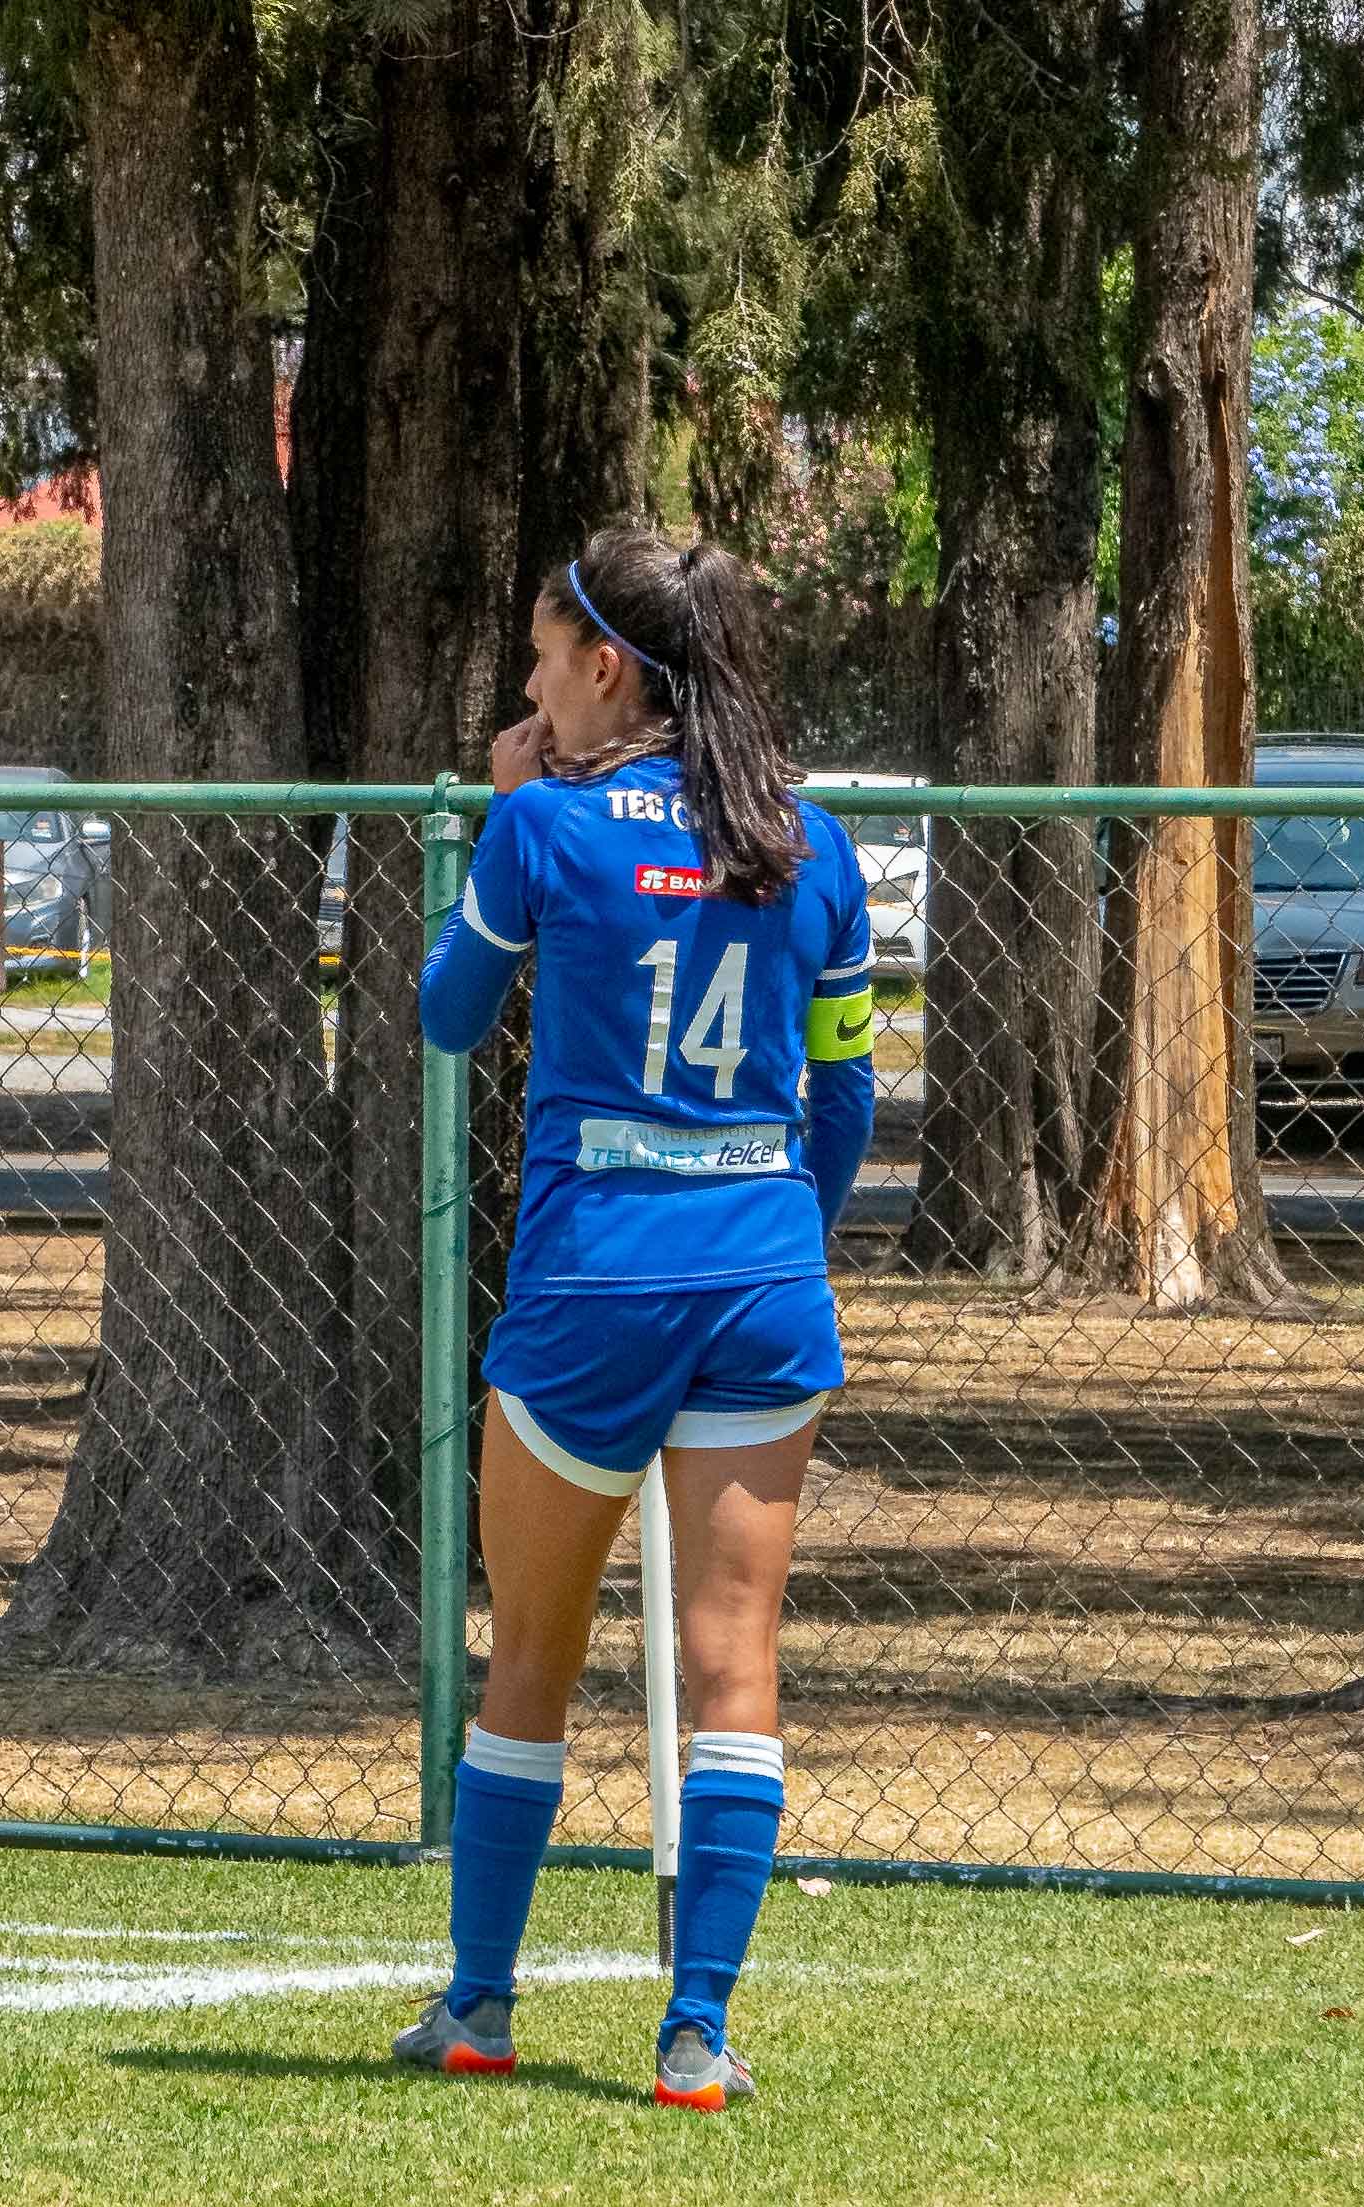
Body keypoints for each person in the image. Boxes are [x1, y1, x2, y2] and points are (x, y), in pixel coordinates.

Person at [393, 529, 877, 2113]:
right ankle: (697, 2034)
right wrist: (776, 1235)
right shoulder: (813, 845)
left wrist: (502, 810)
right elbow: (847, 1100)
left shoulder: (544, 826)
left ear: (606, 667)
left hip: (591, 1286)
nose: (529, 693)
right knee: (736, 1668)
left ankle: (480, 2006)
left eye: (542, 661)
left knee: (530, 1656)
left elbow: (447, 1016)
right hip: (760, 1286)